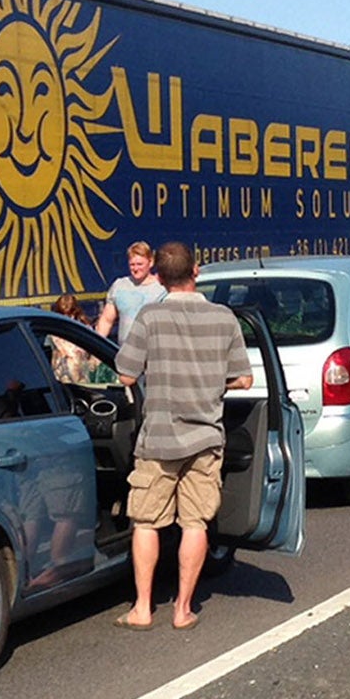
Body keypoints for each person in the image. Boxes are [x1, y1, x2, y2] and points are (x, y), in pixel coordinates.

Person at [111, 241, 251, 631]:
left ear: (158, 274)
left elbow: (124, 374)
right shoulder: (224, 319)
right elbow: (244, 377)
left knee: (146, 522)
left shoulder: (149, 318)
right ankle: (182, 609)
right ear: (196, 271)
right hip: (205, 438)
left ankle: (142, 608)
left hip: (158, 438)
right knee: (195, 523)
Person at [96, 240, 165, 343]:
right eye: (132, 265)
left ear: (150, 262)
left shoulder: (162, 288)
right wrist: (97, 345)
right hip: (125, 353)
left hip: (153, 353)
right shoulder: (119, 286)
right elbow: (106, 320)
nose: (135, 268)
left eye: (140, 264)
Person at [47, 294, 95, 385]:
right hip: (61, 373)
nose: (66, 317)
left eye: (70, 314)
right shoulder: (53, 329)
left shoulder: (84, 328)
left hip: (80, 372)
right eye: (62, 314)